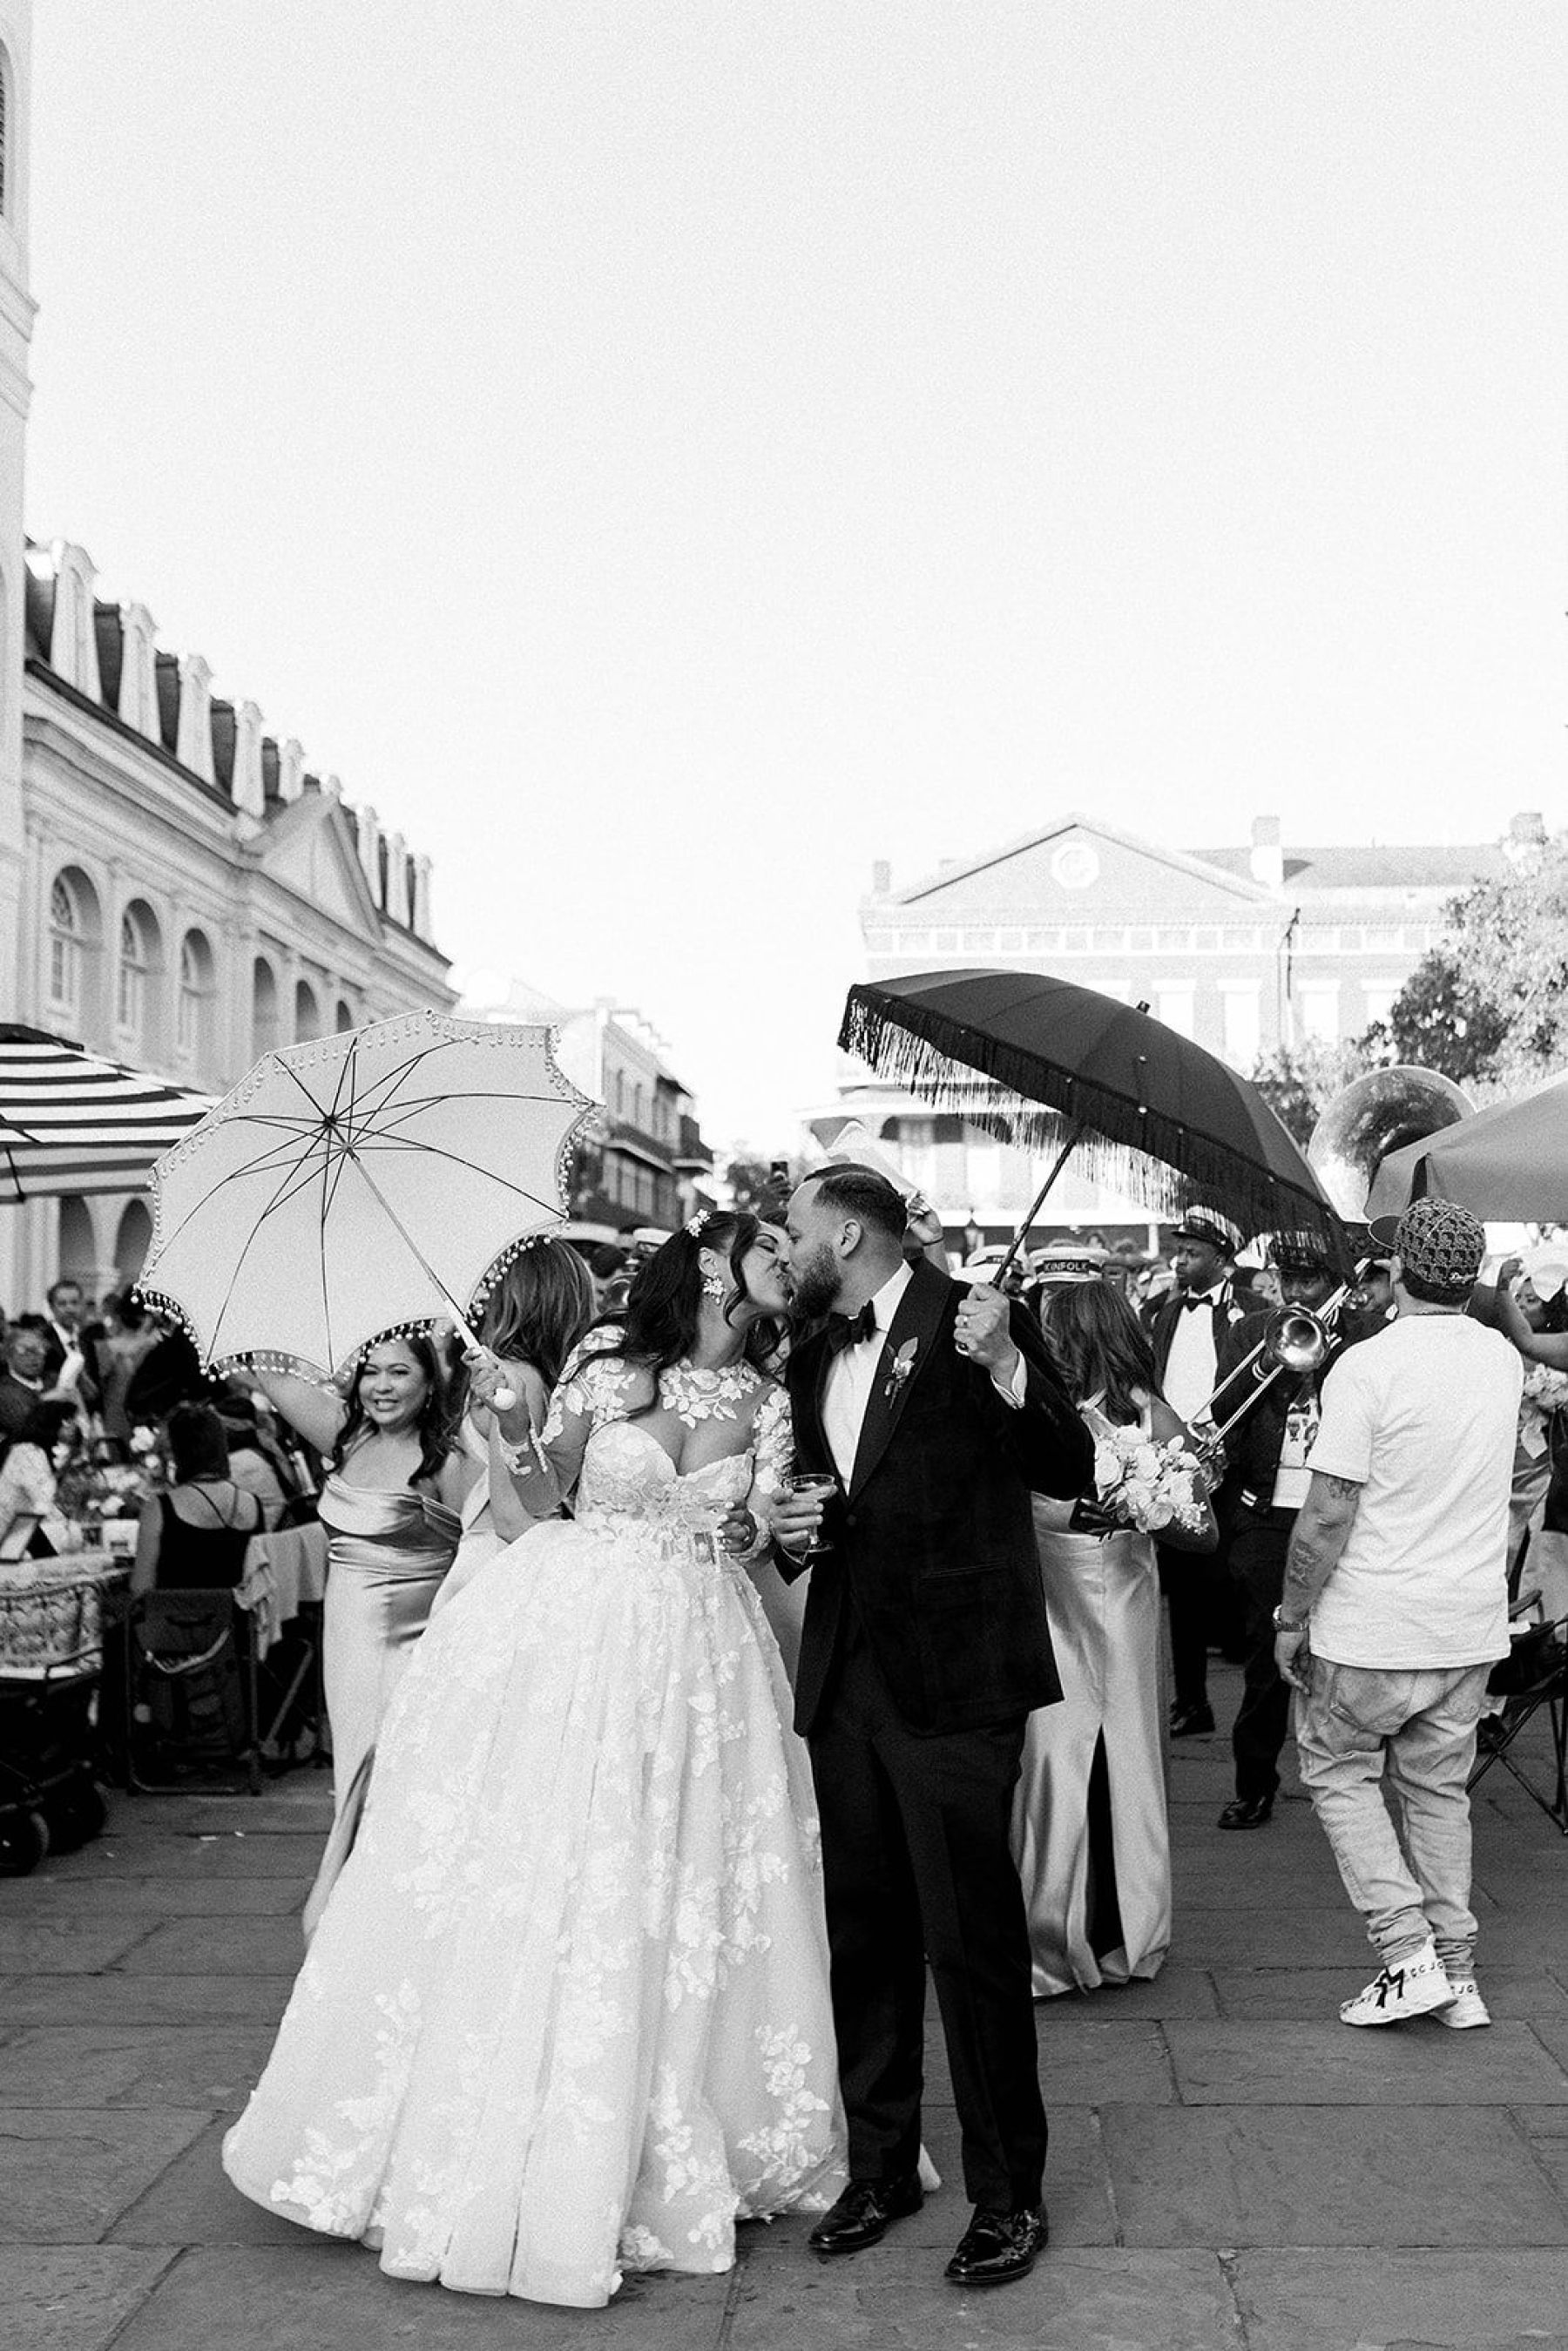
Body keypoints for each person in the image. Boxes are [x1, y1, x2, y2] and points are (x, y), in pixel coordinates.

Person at [222, 1211, 841, 2307]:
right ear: (711, 1266)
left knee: (689, 1881)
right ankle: (528, 2127)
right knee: (571, 1862)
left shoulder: (773, 1400)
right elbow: (534, 1505)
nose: (791, 1265)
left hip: (706, 1654)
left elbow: (758, 1534)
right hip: (586, 1636)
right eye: (773, 1249)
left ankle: (679, 2111)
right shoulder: (608, 1365)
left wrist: (762, 1528)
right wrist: (514, 1424)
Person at [771, 1165, 1093, 2293]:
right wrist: (797, 1521)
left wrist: (1007, 1361)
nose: (785, 1245)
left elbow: (1070, 1463)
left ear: (847, 1230)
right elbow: (820, 1487)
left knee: (972, 1941)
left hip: (957, 1682)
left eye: (795, 1228)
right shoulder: (815, 1344)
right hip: (848, 1673)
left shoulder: (979, 1316)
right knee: (864, 1933)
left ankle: (1008, 2194)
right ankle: (881, 2165)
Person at [1274, 1199, 1520, 2030]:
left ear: (1394, 1273)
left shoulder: (1367, 1366)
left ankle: (1408, 1952)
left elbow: (1329, 1510)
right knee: (1439, 1791)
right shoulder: (1500, 1360)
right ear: (1470, 1276)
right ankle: (1459, 1973)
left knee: (1338, 1772)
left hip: (1373, 1622)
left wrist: (1290, 1614)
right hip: (1468, 1623)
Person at [1014, 1279, 1215, 1994]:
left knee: (1124, 1755)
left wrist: (1149, 1505)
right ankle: (1048, 1931)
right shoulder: (1030, 1406)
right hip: (1049, 1600)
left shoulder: (1151, 1417)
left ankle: (1125, 1929)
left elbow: (1204, 1531)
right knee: (1052, 1756)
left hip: (1123, 1601)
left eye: (1046, 1327)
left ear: (1078, 1332)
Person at [249, 1333, 474, 1825]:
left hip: (417, 1647)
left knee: (400, 1775)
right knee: (353, 1768)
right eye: (371, 1372)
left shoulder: (447, 1460)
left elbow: (477, 1558)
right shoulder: (347, 1438)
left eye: (399, 1372)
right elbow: (271, 1372)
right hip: (346, 1642)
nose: (382, 1387)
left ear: (430, 1384)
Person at [1209, 1233, 1350, 1832]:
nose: (1294, 1291)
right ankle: (1255, 1782)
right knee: (1270, 1657)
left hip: (1338, 1510)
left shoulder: (1363, 1333)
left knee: (1342, 1653)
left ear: (1331, 1278)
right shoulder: (1252, 1332)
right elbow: (1222, 1410)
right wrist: (1270, 1361)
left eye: (1308, 1280)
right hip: (1267, 1512)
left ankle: (1343, 1783)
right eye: (1285, 1278)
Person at [432, 1238, 595, 1613]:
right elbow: (511, 1518)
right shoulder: (521, 1380)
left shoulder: (503, 1375)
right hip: (509, 1575)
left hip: (486, 1561)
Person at [1148, 1210, 1249, 1735]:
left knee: (1230, 1578)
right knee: (1183, 1588)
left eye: (1192, 1252)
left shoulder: (1245, 1309)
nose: (1180, 1259)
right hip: (1174, 1462)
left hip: (1226, 1461)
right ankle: (1192, 1700)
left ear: (1220, 1257)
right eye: (1178, 1249)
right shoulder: (1165, 1313)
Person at [130, 1403, 263, 1594]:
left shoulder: (159, 1508)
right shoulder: (252, 1504)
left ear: (178, 1452)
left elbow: (141, 1587)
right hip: (237, 1619)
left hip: (174, 1619)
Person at [0, 1396, 84, 1559]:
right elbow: (43, 1502)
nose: (74, 1426)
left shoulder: (41, 1454)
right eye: (68, 1421)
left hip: (23, 1529)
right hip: (11, 1533)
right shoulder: (27, 1453)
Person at [0, 1318, 57, 1439]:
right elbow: (27, 1428)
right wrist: (50, 1397)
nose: (33, 1358)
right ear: (9, 1356)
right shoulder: (4, 1391)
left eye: (38, 1351)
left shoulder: (53, 1379)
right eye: (24, 1351)